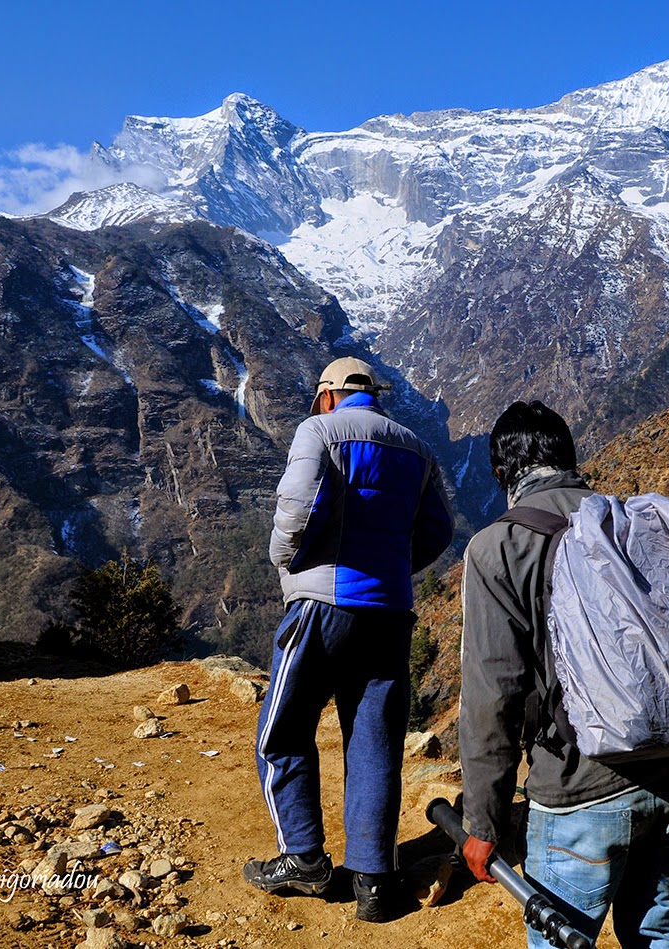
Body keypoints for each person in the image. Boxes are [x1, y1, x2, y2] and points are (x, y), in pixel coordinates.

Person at [458, 400, 669, 949]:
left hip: (577, 790)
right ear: (572, 460)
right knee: (668, 941)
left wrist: (484, 822)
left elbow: (492, 695)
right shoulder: (631, 526)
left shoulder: (498, 548)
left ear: (502, 475)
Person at [243, 357, 454, 923]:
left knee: (282, 732)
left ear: (330, 395)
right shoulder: (415, 446)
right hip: (389, 615)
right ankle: (375, 881)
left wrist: (289, 564)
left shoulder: (318, 431)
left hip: (321, 606)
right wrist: (393, 569)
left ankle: (304, 859)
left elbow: (298, 507)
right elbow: (438, 529)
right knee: (374, 743)